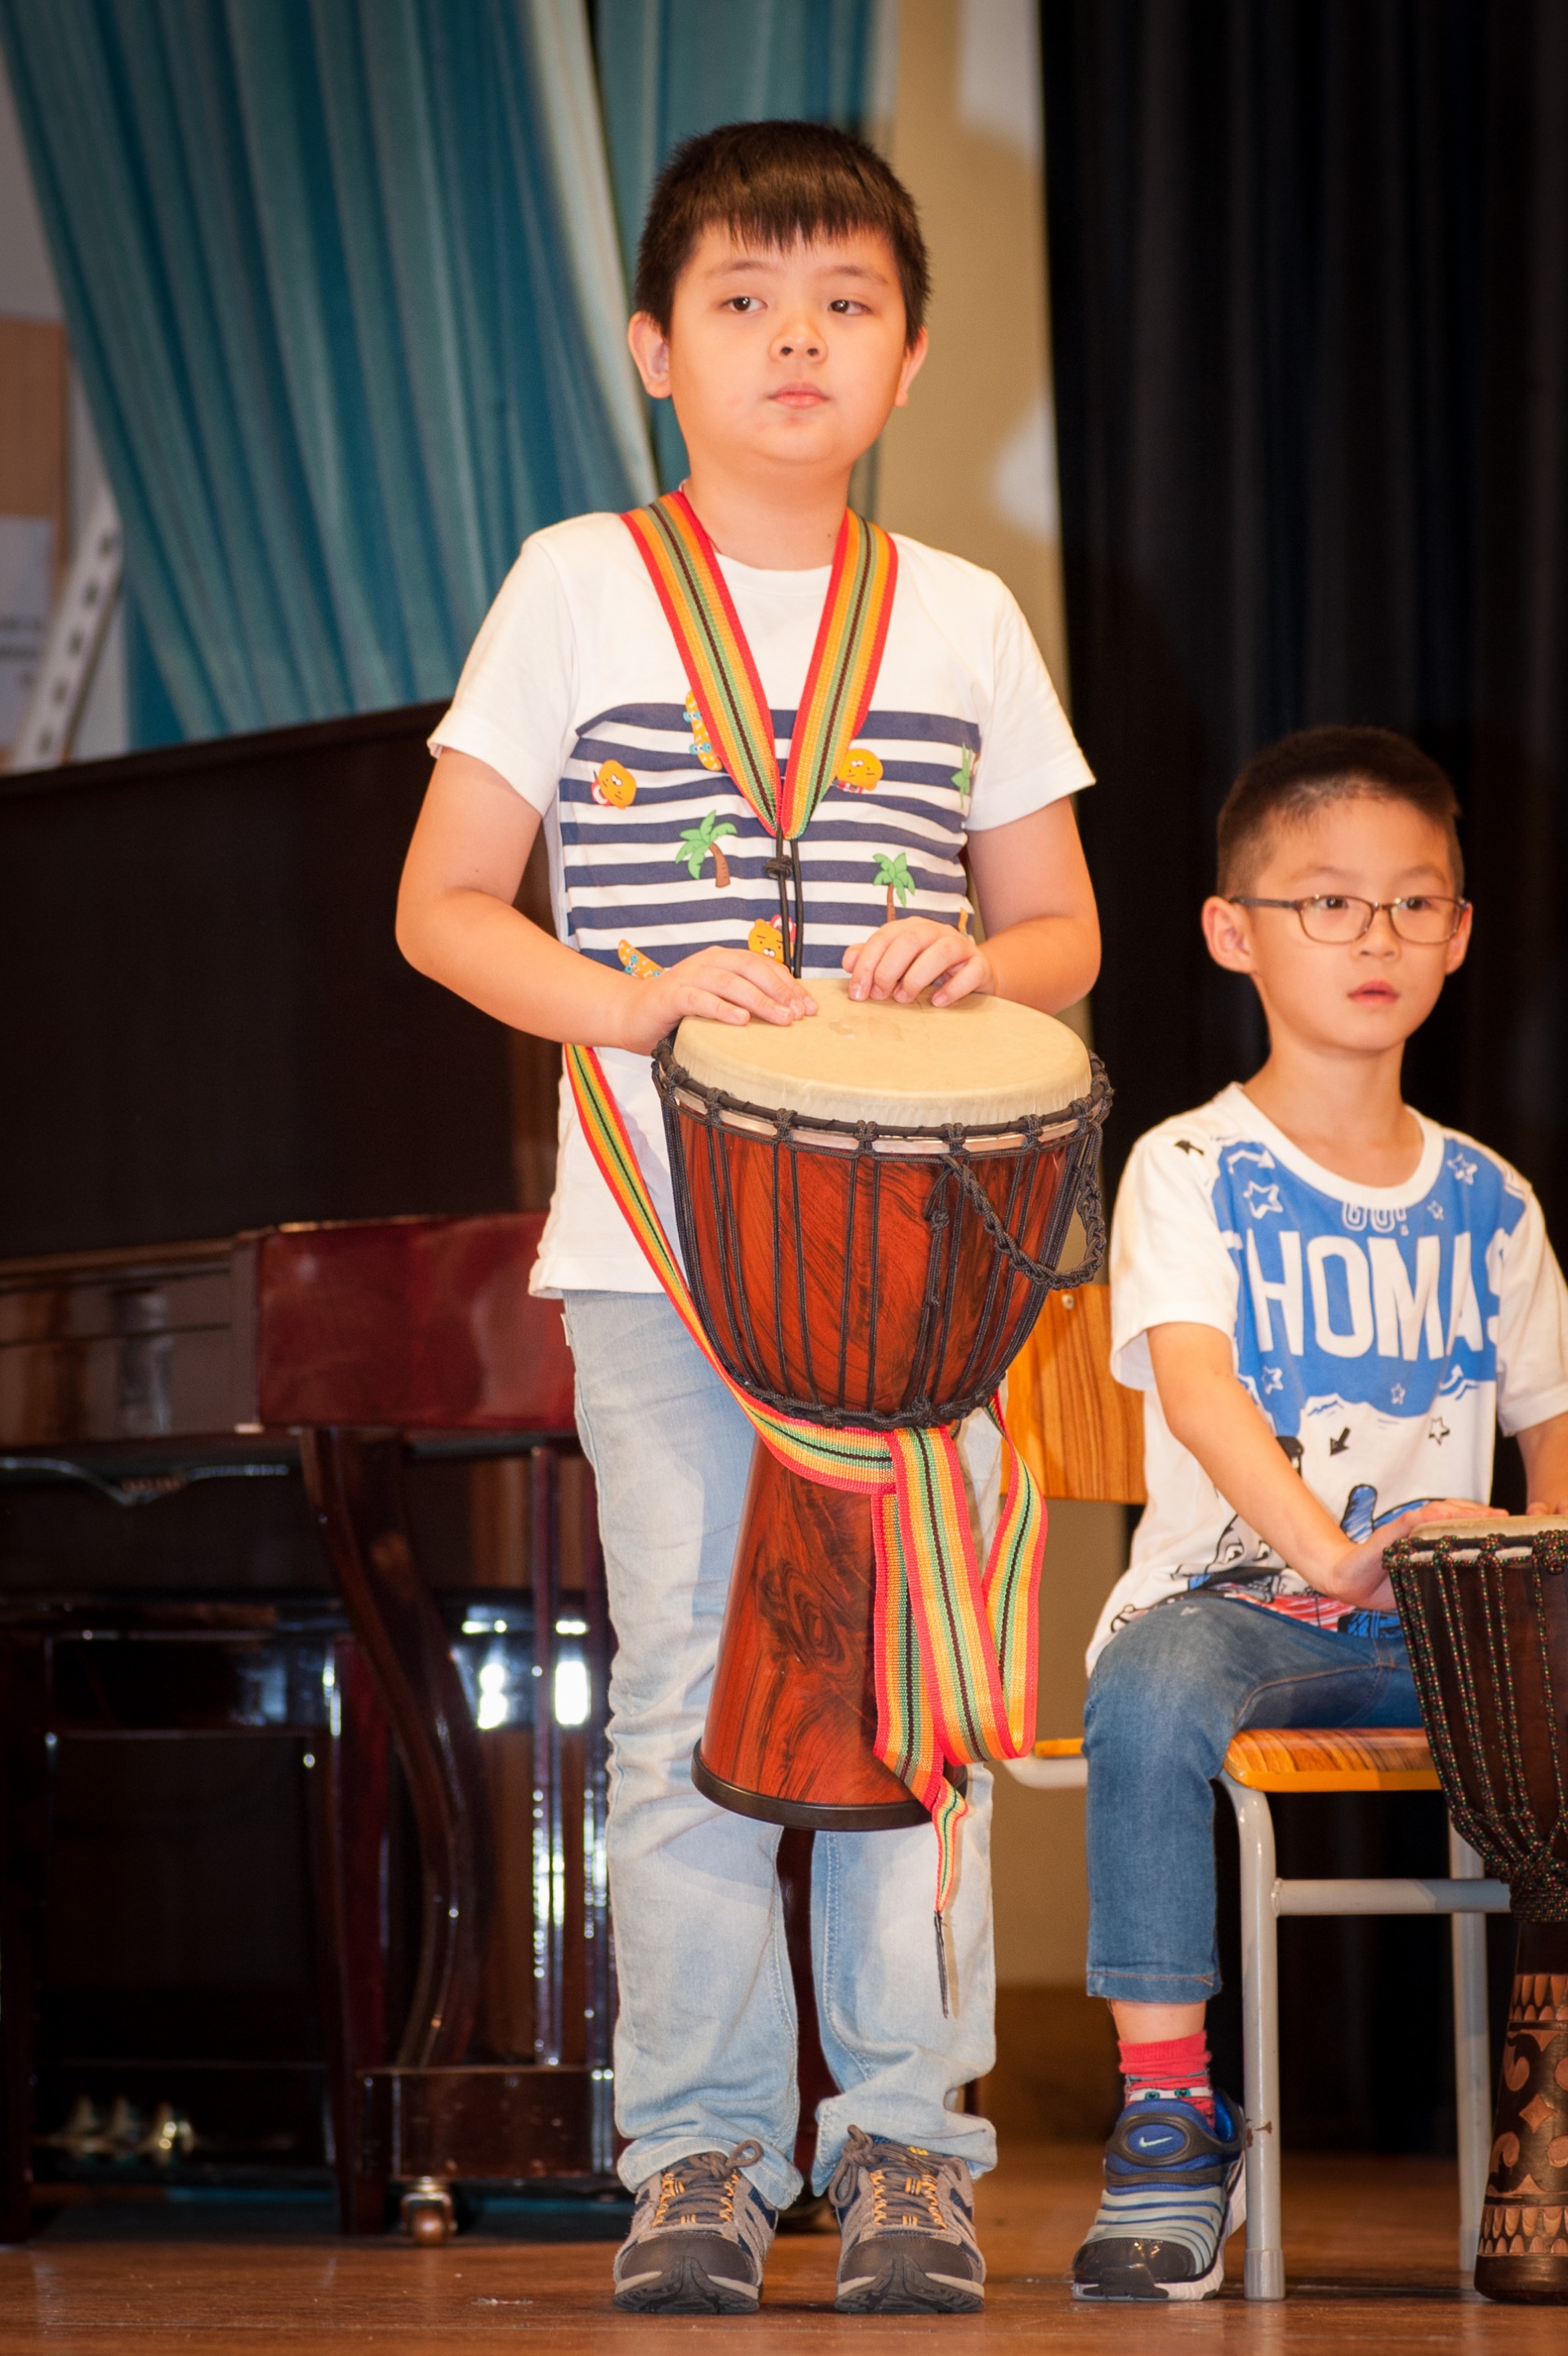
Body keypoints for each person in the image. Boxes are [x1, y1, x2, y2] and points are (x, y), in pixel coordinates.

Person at [395, 119, 1099, 2315]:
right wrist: (633, 997)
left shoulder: (964, 613)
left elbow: (1063, 929)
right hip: (657, 1249)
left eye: (845, 303)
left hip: (923, 1279)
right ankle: (695, 2148)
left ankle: (910, 2149)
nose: (798, 338)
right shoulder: (572, 581)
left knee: (913, 1695)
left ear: (910, 356)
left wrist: (976, 961)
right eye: (744, 300)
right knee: (686, 1688)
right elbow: (442, 904)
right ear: (655, 348)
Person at [1070, 725, 1568, 2303]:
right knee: (1148, 1688)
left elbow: (1557, 1444)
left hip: (1448, 1633)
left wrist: (1525, 1555)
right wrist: (1333, 1552)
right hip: (1246, 1614)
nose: (1378, 938)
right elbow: (1201, 1391)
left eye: (1415, 904)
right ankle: (1170, 2117)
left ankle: (1551, 2120)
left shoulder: (1492, 1199)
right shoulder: (1190, 1166)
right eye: (1330, 902)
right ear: (1235, 931)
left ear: (1461, 933)